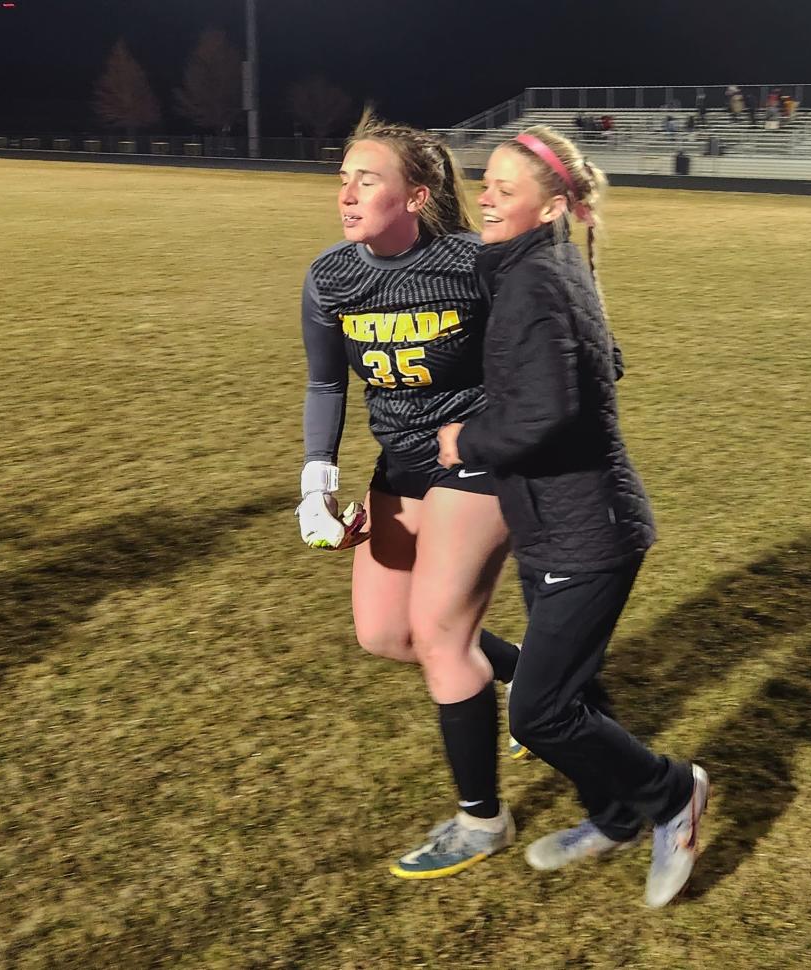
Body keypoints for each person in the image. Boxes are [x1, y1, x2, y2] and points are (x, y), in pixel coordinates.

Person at [437, 126, 709, 908]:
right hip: (557, 519)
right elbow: (604, 365)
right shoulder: (551, 264)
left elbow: (551, 408)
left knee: (543, 709)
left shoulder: (534, 278)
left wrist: (468, 438)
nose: (485, 194)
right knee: (577, 689)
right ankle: (614, 812)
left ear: (552, 205)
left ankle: (669, 795)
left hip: (588, 531)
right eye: (485, 181)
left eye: (506, 188)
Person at [298, 110, 524, 879]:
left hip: (481, 466)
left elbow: (577, 354)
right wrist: (316, 480)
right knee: (384, 636)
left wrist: (501, 431)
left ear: (418, 195)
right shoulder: (333, 276)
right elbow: (327, 381)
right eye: (343, 179)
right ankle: (523, 671)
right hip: (399, 467)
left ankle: (481, 819)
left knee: (438, 638)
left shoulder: (479, 263)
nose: (347, 193)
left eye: (367, 178)